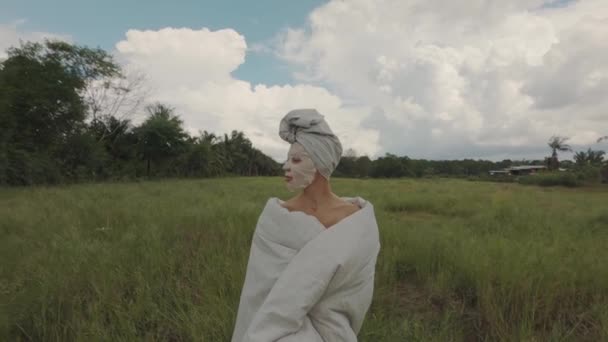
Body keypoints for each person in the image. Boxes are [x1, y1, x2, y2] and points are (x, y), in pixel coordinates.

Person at [231, 109, 381, 341]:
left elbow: (354, 294)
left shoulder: (357, 222)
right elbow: (258, 294)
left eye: (296, 159)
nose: (286, 167)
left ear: (320, 164)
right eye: (287, 159)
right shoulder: (275, 218)